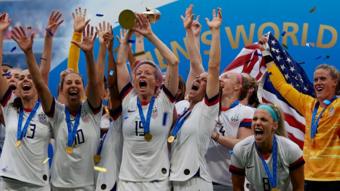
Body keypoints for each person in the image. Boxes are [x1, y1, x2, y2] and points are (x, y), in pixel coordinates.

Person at [21, 20, 102, 190]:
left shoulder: (93, 111)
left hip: (87, 186)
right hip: (57, 186)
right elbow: (40, 84)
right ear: (61, 89)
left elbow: (95, 84)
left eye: (78, 82)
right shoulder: (56, 112)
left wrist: (88, 54)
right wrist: (28, 53)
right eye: (69, 83)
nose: (73, 85)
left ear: (83, 88)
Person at [0, 11, 63, 190]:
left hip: (38, 183)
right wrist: (1, 34)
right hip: (7, 180)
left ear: (39, 84)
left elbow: (42, 72)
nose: (26, 80)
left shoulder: (49, 110)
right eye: (21, 79)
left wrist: (48, 37)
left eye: (30, 78)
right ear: (16, 88)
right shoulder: (10, 106)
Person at [116, 13, 178, 191]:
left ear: (158, 81)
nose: (142, 75)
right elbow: (120, 64)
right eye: (138, 73)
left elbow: (173, 62)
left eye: (148, 73)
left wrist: (149, 35)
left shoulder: (164, 102)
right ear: (134, 81)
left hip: (158, 182)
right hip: (127, 182)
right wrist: (128, 33)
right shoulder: (128, 99)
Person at [263, 49, 340, 190]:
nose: (317, 83)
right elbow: (281, 86)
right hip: (308, 177)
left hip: (335, 178)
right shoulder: (308, 104)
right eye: (315, 79)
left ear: (335, 82)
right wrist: (267, 56)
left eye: (323, 79)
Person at [169, 5, 221, 191]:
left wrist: (214, 32)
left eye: (204, 80)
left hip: (195, 181)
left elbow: (212, 67)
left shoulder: (207, 109)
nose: (198, 79)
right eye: (197, 78)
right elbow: (194, 63)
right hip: (171, 179)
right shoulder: (182, 105)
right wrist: (190, 33)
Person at [230, 104, 305, 191]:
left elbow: (299, 188)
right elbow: (237, 188)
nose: (257, 123)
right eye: (254, 119)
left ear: (274, 126)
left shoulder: (291, 149)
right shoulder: (241, 149)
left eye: (263, 119)